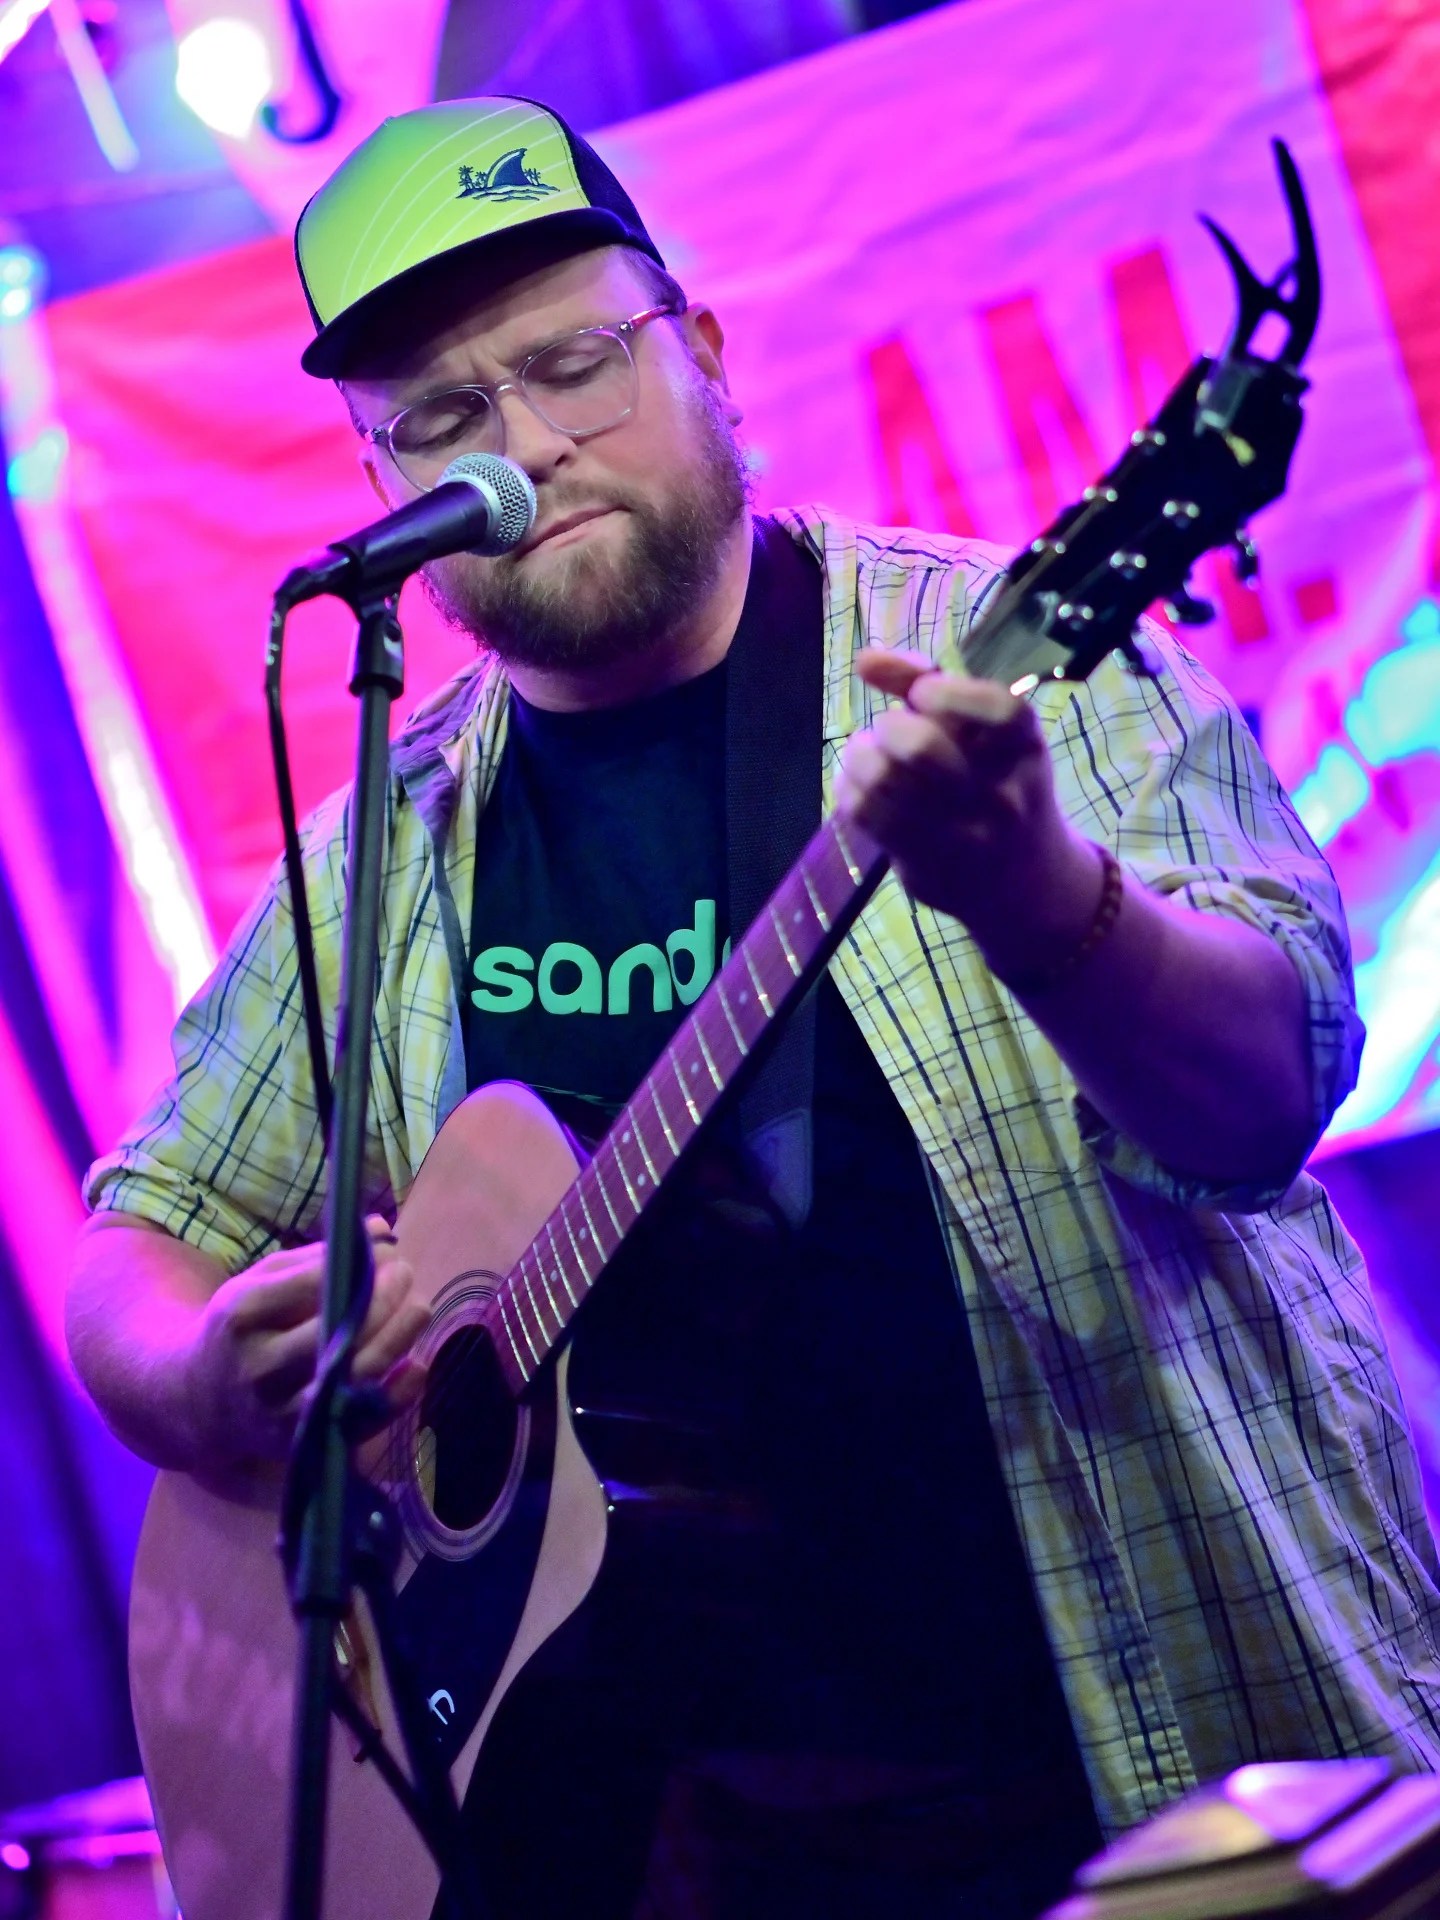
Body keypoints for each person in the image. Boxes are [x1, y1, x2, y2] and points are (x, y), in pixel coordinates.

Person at [67, 95, 1440, 1920]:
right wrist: (199, 1375)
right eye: (443, 420)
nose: (527, 446)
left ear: (704, 353)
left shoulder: (1002, 663)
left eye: (573, 365)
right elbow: (133, 1247)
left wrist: (1042, 896)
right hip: (628, 1843)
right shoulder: (378, 859)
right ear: (384, 487)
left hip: (1129, 1764)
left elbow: (1268, 1096)